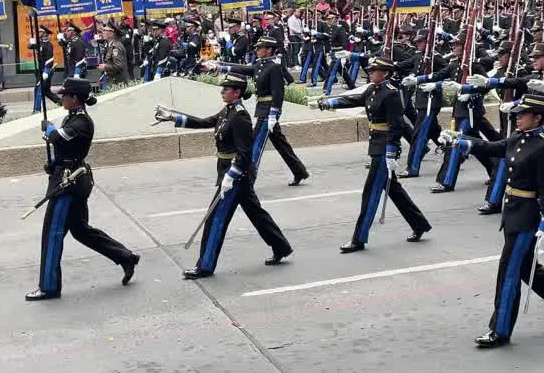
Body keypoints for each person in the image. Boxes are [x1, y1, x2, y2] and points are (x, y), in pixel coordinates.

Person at [440, 94, 544, 348]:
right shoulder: (518, 137)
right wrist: (460, 141)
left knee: (508, 273)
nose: (517, 117)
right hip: (512, 211)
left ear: (537, 118)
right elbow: (494, 147)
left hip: (526, 218)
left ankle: (500, 330)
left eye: (522, 114)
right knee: (528, 269)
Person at [155, 73, 293, 277]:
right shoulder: (228, 111)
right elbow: (204, 122)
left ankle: (205, 265)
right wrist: (174, 117)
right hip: (229, 172)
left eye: (226, 89)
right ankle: (281, 246)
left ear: (237, 92)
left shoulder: (240, 117)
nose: (222, 91)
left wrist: (231, 175)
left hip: (235, 175)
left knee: (215, 219)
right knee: (255, 213)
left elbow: (245, 154)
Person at [26, 79, 140, 301]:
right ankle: (125, 257)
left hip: (68, 185)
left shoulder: (82, 122)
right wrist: (53, 163)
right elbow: (65, 147)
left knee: (52, 234)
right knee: (80, 230)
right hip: (68, 177)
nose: (62, 98)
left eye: (65, 95)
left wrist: (49, 128)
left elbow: (59, 137)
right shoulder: (72, 117)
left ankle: (49, 287)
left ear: (75, 98)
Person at [313, 56, 431, 252]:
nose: (370, 73)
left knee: (370, 193)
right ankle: (419, 224)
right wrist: (329, 103)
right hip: (376, 144)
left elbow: (397, 125)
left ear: (385, 73)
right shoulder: (372, 89)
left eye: (373, 70)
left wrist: (391, 153)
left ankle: (359, 239)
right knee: (394, 190)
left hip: (384, 148)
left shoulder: (391, 94)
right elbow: (355, 100)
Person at [205, 36, 310, 186]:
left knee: (255, 146)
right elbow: (246, 69)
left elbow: (278, 93)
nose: (257, 50)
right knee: (281, 144)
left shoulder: (274, 67)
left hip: (267, 112)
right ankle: (299, 171)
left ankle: (248, 180)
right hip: (262, 110)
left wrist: (274, 114)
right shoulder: (260, 64)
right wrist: (220, 66)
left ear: (269, 50)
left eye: (260, 48)